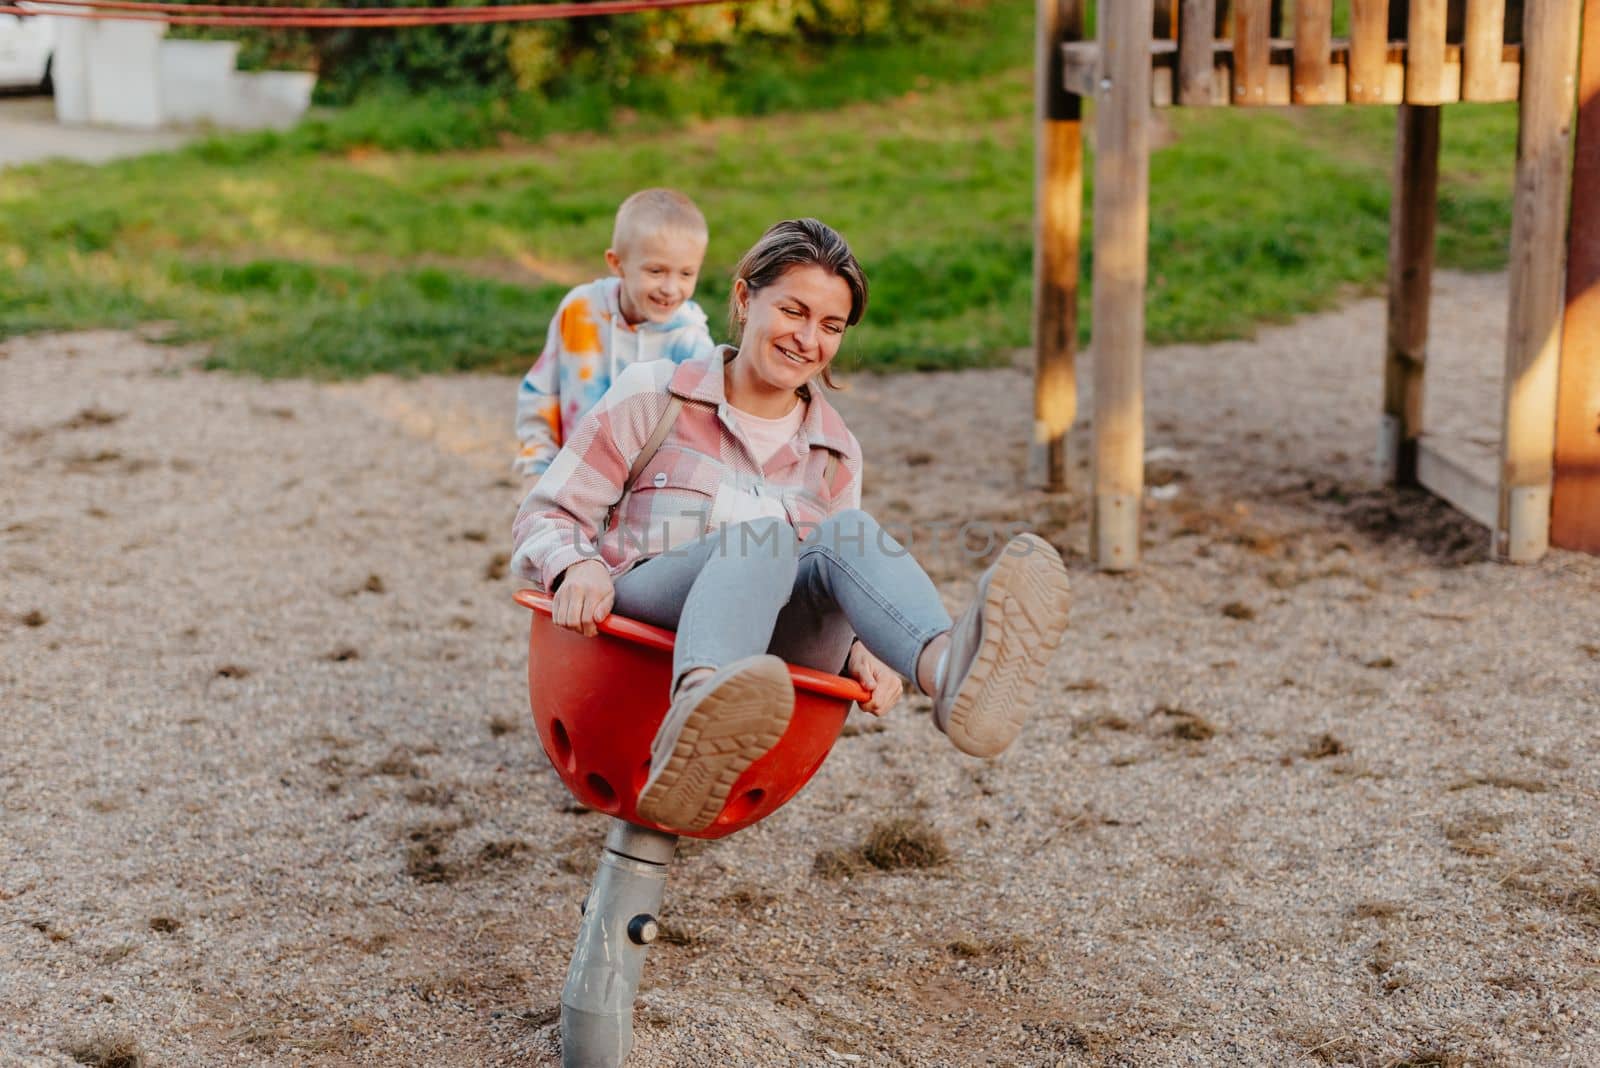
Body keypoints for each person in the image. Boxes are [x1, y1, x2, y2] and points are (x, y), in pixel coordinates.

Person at [511, 218, 1071, 834]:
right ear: (746, 298)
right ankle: (698, 717)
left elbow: (826, 585)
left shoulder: (835, 452)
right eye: (794, 311)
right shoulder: (655, 396)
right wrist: (577, 563)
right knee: (768, 537)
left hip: (773, 669)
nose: (808, 339)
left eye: (830, 327)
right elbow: (545, 513)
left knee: (847, 533)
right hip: (642, 636)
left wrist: (864, 644)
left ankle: (949, 674)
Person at [512, 188, 718, 482]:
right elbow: (541, 394)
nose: (671, 288)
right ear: (617, 263)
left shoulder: (691, 344)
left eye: (686, 274)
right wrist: (535, 470)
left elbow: (701, 437)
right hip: (567, 483)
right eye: (656, 271)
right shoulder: (580, 310)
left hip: (642, 502)